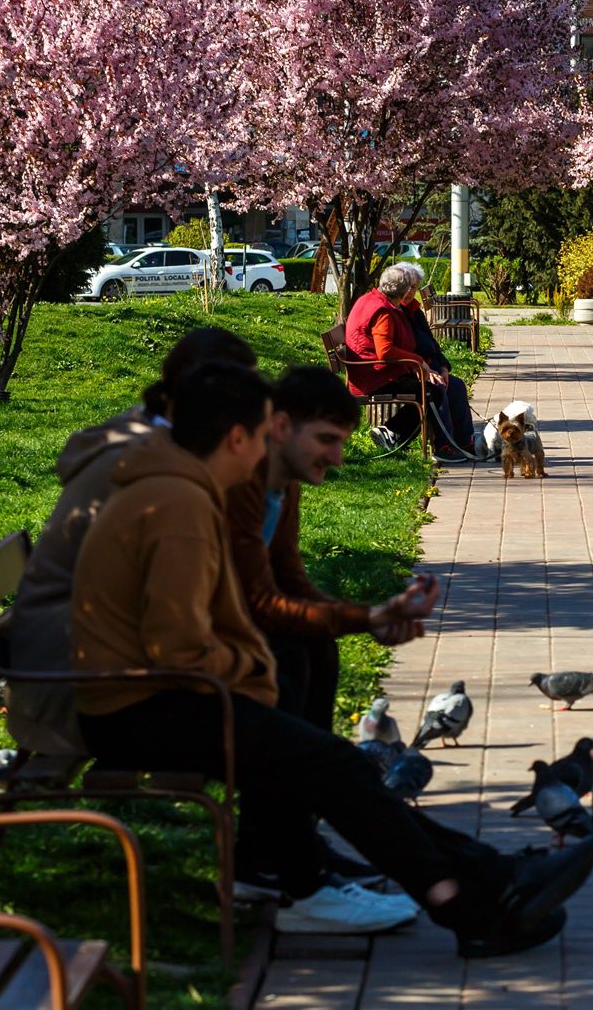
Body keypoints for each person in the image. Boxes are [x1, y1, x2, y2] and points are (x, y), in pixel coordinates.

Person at [73, 360, 593, 948]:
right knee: (326, 759)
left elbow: (227, 616)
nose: (265, 457)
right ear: (241, 435)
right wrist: (258, 680)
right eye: (262, 436)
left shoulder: (185, 490)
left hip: (161, 694)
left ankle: (478, 883)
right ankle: (469, 898)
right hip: (136, 710)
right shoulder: (181, 504)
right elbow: (181, 641)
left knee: (317, 726)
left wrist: (294, 655)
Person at [224, 365, 443, 882]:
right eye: (326, 439)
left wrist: (367, 619)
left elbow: (290, 583)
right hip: (156, 683)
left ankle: (288, 845)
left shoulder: (281, 481)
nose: (338, 456)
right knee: (290, 658)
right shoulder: (242, 484)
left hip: (219, 643)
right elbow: (258, 603)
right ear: (279, 426)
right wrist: (366, 616)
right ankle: (278, 855)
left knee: (313, 649)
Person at [6, 327, 257, 756]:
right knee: (279, 671)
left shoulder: (146, 436)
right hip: (74, 681)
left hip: (70, 655)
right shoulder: (150, 462)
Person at [346, 262, 476, 461]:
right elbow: (385, 351)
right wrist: (419, 363)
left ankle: (464, 442)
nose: (412, 292)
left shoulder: (377, 301)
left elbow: (420, 344)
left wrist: (438, 366)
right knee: (433, 391)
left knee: (454, 385)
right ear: (404, 289)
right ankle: (443, 447)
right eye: (411, 287)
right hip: (376, 375)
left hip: (382, 370)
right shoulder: (384, 311)